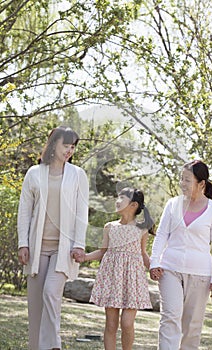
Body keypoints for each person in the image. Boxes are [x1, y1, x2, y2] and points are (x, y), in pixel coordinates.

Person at [17, 126, 89, 350]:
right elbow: (24, 211)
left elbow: (81, 212)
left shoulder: (78, 175)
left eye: (73, 146)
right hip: (37, 248)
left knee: (51, 292)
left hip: (63, 249)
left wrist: (79, 244)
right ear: (53, 145)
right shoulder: (34, 173)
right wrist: (23, 243)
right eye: (66, 145)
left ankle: (53, 345)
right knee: (36, 305)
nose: (70, 150)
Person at [150, 160, 212, 350]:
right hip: (170, 269)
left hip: (200, 273)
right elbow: (161, 236)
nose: (182, 183)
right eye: (181, 179)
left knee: (192, 325)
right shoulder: (172, 204)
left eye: (187, 180)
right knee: (170, 316)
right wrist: (154, 262)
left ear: (201, 184)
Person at [78, 187, 154, 350]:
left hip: (131, 280)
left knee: (127, 323)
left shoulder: (141, 229)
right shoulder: (110, 227)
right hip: (112, 278)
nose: (117, 201)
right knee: (111, 324)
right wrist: (85, 257)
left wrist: (155, 269)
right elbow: (102, 251)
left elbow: (143, 254)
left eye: (122, 199)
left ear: (133, 205)